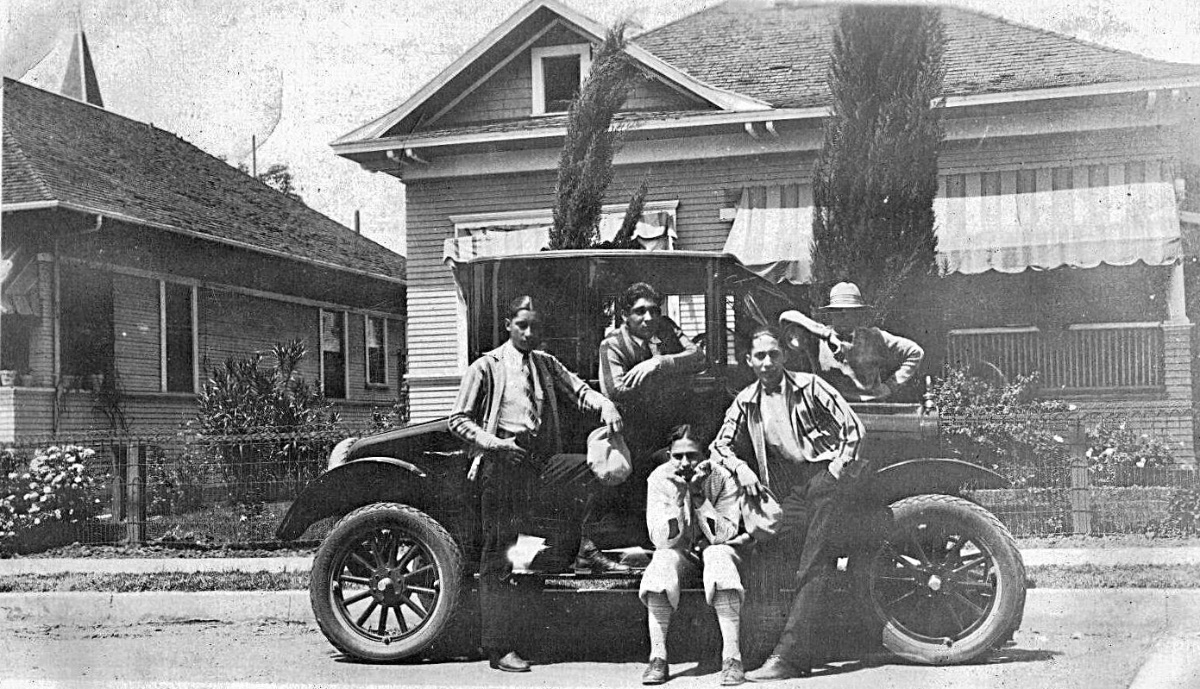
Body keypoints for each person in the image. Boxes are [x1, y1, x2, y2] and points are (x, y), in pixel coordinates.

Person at [449, 295, 624, 673]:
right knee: (501, 554)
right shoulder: (487, 366)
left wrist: (606, 405)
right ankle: (498, 648)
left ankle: (583, 545)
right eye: (522, 325)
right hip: (502, 465)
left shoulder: (545, 363)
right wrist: (495, 445)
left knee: (593, 469)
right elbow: (458, 420)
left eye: (535, 326)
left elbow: (580, 391)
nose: (529, 333)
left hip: (540, 463)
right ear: (508, 325)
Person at [709, 326, 867, 681]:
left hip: (829, 476)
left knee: (814, 559)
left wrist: (836, 469)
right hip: (796, 487)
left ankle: (790, 658)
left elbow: (853, 429)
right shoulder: (747, 400)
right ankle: (765, 642)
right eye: (759, 356)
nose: (767, 363)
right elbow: (719, 446)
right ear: (749, 361)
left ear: (784, 356)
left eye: (773, 355)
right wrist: (742, 469)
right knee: (774, 541)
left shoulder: (810, 385)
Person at [639, 425, 751, 686]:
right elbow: (661, 540)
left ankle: (732, 658)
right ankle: (658, 658)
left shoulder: (722, 477)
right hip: (682, 554)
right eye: (678, 456)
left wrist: (699, 496)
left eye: (692, 455)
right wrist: (678, 500)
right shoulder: (659, 478)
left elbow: (723, 535)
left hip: (718, 551)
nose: (685, 463)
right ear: (669, 455)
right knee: (662, 560)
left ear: (705, 455)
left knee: (718, 555)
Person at [599, 281, 707, 458]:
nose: (649, 318)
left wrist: (659, 362)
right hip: (636, 431)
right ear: (625, 315)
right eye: (640, 311)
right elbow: (616, 391)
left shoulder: (666, 327)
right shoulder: (612, 344)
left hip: (674, 423)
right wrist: (672, 376)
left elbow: (699, 356)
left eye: (654, 311)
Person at [779, 282, 923, 402]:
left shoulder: (874, 337)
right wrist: (826, 335)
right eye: (838, 311)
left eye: (850, 311)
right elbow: (787, 316)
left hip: (871, 407)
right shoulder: (816, 340)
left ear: (858, 314)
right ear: (830, 313)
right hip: (830, 408)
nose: (844, 316)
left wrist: (891, 385)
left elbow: (915, 352)